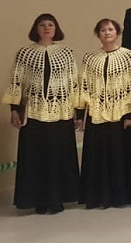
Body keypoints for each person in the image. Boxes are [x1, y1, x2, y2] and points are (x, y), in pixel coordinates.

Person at [2, 14, 79, 214]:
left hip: (61, 111)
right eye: (42, 25)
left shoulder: (66, 53)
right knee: (35, 157)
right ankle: (38, 200)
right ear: (36, 29)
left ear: (56, 29)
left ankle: (57, 199)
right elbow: (16, 82)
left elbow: (74, 83)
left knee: (58, 155)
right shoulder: (25, 53)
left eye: (50, 24)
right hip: (33, 112)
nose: (46, 28)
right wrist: (14, 110)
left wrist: (77, 111)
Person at [77, 19, 131, 209]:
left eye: (110, 29)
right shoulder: (90, 58)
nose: (107, 33)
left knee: (120, 156)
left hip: (121, 114)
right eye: (103, 30)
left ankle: (121, 196)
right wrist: (80, 114)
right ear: (98, 34)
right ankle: (99, 197)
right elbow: (83, 86)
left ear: (117, 33)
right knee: (97, 157)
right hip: (96, 113)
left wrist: (129, 115)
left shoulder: (129, 56)